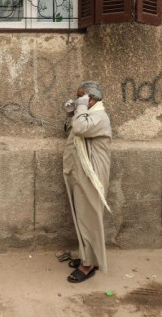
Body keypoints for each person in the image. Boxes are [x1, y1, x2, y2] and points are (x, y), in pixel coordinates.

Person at [62, 81, 112, 283]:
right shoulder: (87, 115)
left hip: (92, 175)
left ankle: (88, 265)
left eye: (81, 97)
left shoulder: (100, 117)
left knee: (88, 218)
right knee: (84, 216)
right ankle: (91, 258)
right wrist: (71, 113)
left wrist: (80, 108)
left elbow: (81, 129)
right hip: (82, 173)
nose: (78, 100)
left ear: (91, 99)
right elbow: (73, 129)